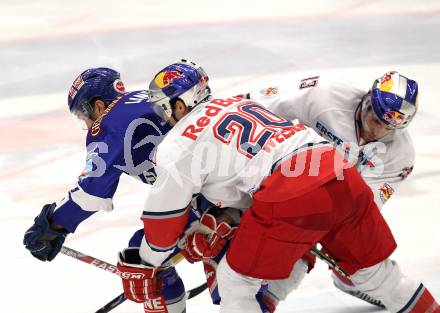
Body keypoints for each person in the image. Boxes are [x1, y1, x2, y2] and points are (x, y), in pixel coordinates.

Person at [116, 60, 439, 313]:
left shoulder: (177, 143)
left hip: (291, 189)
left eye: (163, 108)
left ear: (180, 105)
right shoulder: (293, 99)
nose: (376, 126)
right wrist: (229, 218)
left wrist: (147, 263)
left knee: (236, 281)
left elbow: (161, 225)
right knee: (382, 278)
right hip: (339, 176)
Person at [22, 66, 218, 313]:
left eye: (84, 116)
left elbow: (91, 194)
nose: (87, 123)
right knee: (240, 289)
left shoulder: (107, 126)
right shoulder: (147, 99)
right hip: (235, 181)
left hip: (209, 197)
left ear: (98, 106)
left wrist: (52, 225)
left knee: (142, 260)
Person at [244, 71, 418, 307]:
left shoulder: (401, 155)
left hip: (324, 201)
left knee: (301, 248)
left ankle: (265, 301)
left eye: (388, 128)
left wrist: (333, 236)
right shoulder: (324, 94)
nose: (377, 131)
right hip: (278, 174)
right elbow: (257, 103)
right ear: (367, 99)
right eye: (376, 119)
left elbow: (364, 207)